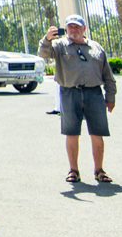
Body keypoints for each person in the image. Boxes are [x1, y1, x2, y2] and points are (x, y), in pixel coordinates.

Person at [39, 14, 116, 184]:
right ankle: (73, 170)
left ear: (84, 28)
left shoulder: (96, 47)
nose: (74, 30)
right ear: (66, 29)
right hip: (70, 93)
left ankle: (99, 170)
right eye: (70, 27)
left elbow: (107, 75)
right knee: (71, 132)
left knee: (97, 133)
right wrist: (47, 39)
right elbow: (44, 53)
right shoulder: (60, 45)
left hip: (94, 94)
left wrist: (110, 96)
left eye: (77, 27)